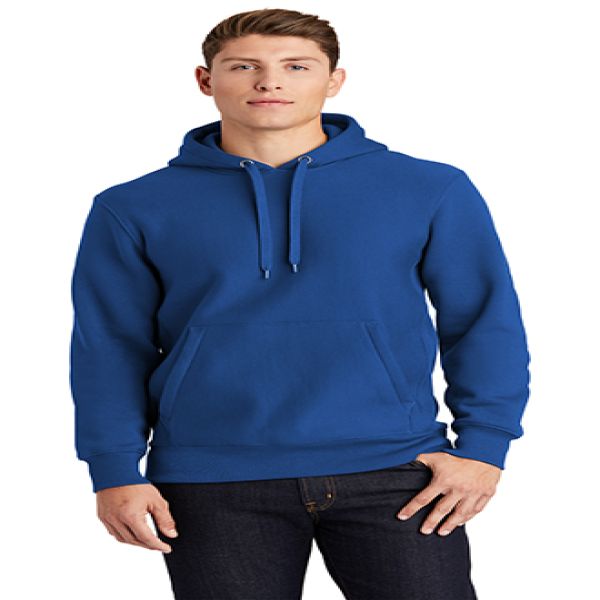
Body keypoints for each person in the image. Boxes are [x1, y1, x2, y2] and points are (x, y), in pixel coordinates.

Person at [68, 8, 531, 599]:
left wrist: (485, 448)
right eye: (244, 66)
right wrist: (112, 469)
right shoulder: (133, 206)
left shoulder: (428, 188)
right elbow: (109, 347)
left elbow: (483, 323)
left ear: (333, 80)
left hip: (397, 471)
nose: (270, 82)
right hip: (213, 479)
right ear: (206, 80)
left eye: (296, 66)